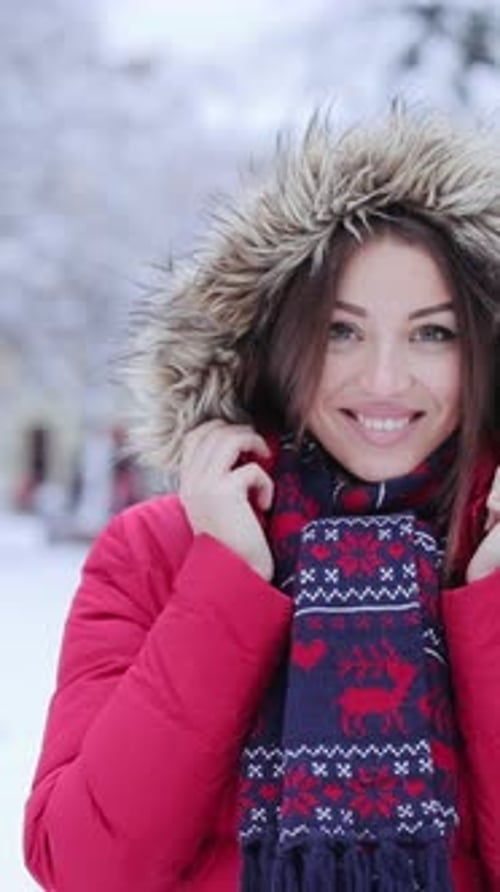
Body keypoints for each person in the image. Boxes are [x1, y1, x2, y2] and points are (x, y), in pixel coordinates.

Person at [24, 107, 500, 892]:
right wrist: (225, 584)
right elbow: (84, 866)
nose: (384, 380)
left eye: (433, 334)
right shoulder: (153, 553)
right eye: (341, 332)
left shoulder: (485, 551)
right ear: (273, 346)